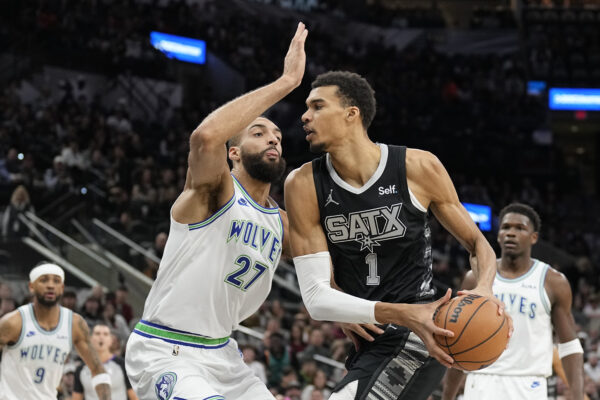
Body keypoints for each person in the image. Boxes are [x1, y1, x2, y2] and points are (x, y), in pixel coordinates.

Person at [284, 70, 511, 400]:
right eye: (306, 107)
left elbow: (478, 244)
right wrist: (346, 308)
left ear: (352, 114)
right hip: (373, 340)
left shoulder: (417, 167)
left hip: (420, 334)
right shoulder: (303, 184)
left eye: (318, 106)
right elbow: (317, 293)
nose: (305, 116)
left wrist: (485, 288)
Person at [125, 22, 308, 400]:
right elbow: (205, 137)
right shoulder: (216, 191)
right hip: (166, 349)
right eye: (258, 133)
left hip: (222, 353)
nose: (273, 138)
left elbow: (328, 272)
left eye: (276, 135)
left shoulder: (283, 223)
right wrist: (287, 82)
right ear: (234, 152)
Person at [442, 203, 584, 400]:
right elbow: (459, 343)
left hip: (529, 384)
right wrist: (447, 396)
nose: (511, 233)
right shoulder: (475, 277)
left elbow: (569, 346)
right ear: (499, 234)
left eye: (520, 228)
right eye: (506, 227)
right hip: (482, 380)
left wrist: (577, 395)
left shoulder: (553, 281)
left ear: (534, 237)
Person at [0, 262, 111, 400]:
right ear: (31, 287)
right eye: (44, 280)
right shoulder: (13, 323)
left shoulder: (74, 324)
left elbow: (98, 370)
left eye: (56, 281)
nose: (51, 285)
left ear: (62, 288)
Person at [73, 323, 137, 400]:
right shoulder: (80, 369)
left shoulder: (123, 365)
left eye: (105, 334)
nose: (101, 337)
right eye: (97, 333)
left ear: (111, 340)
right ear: (90, 339)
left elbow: (134, 396)